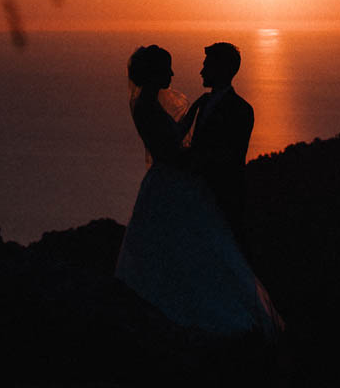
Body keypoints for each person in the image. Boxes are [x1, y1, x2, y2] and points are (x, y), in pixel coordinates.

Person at [113, 45, 279, 339]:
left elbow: (228, 157)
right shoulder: (148, 107)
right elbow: (171, 149)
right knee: (186, 249)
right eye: (167, 68)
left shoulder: (239, 110)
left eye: (207, 64)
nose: (177, 73)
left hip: (194, 189)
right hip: (173, 185)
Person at [183, 42, 255, 241]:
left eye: (206, 66)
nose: (201, 72)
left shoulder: (241, 109)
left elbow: (232, 157)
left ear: (222, 69)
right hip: (200, 197)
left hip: (223, 200)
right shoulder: (204, 103)